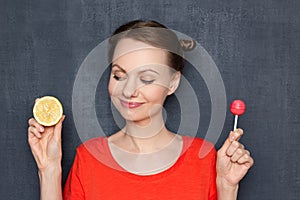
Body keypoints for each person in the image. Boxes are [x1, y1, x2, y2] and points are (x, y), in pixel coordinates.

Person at [28, 20, 254, 200]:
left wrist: (227, 187)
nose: (128, 90)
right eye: (118, 75)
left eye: (146, 78)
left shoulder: (203, 157)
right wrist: (48, 170)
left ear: (172, 83)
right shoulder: (88, 158)